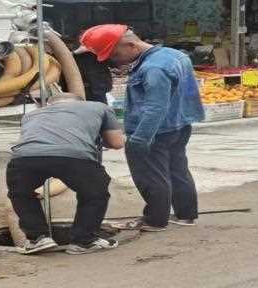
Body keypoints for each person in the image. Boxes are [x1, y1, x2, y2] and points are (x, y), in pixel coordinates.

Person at [79, 25, 205, 231]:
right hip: (180, 125)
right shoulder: (173, 55)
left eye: (115, 54)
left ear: (131, 45)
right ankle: (186, 215)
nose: (114, 60)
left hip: (154, 130)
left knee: (151, 175)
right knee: (177, 169)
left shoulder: (153, 69)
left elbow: (156, 108)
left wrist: (140, 139)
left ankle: (154, 220)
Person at [7, 93, 125, 255]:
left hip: (24, 157)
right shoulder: (98, 107)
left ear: (48, 105)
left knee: (21, 194)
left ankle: (38, 238)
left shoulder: (31, 115)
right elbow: (116, 143)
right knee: (94, 193)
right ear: (81, 102)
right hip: (75, 157)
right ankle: (84, 241)